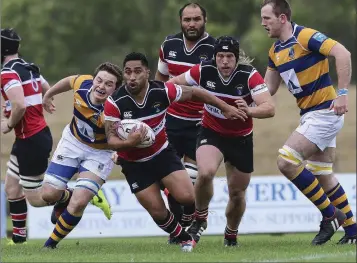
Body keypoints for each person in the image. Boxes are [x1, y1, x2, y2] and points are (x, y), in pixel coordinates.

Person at [104, 52, 245, 252]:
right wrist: (129, 143)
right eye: (127, 72)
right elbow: (111, 141)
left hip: (162, 154)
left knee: (188, 198)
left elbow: (195, 92)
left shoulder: (162, 91)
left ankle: (190, 219)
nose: (132, 77)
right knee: (158, 211)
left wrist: (224, 107)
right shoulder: (115, 102)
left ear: (147, 72)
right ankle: (183, 237)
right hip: (133, 163)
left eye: (137, 71)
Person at [260, 0, 356, 245]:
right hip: (311, 116)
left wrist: (343, 94)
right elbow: (267, 89)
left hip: (325, 113)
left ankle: (329, 216)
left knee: (286, 161)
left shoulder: (305, 37)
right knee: (322, 174)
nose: (263, 23)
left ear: (282, 18)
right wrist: (241, 93)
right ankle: (353, 231)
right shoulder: (274, 52)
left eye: (266, 18)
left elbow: (343, 54)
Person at [168, 36, 275, 247]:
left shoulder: (249, 75)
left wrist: (249, 110)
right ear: (214, 58)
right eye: (220, 56)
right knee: (205, 172)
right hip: (211, 131)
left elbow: (269, 108)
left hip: (241, 138)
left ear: (236, 59)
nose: (224, 61)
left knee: (237, 194)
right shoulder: (203, 70)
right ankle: (200, 218)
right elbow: (173, 85)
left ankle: (231, 233)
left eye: (229, 57)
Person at [40, 62, 122, 248]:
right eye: (99, 80)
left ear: (115, 89)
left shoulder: (118, 106)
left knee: (79, 203)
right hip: (72, 142)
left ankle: (49, 245)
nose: (101, 86)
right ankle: (66, 196)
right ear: (93, 80)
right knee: (48, 195)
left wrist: (120, 151)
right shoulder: (83, 84)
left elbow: (124, 133)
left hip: (100, 153)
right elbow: (69, 81)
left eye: (108, 84)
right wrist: (49, 94)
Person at [155, 2, 216, 239]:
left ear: (205, 20)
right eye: (187, 19)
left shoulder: (213, 48)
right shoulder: (168, 45)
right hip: (170, 120)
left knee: (189, 179)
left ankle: (187, 226)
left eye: (196, 19)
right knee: (166, 179)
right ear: (180, 21)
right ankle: (183, 225)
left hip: (200, 122)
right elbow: (160, 79)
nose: (192, 24)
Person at [1, 28, 54, 245]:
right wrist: (46, 99)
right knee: (11, 188)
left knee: (37, 199)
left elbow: (20, 105)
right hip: (30, 138)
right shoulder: (28, 67)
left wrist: (8, 124)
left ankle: (79, 195)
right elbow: (45, 86)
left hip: (31, 140)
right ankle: (19, 241)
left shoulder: (7, 72)